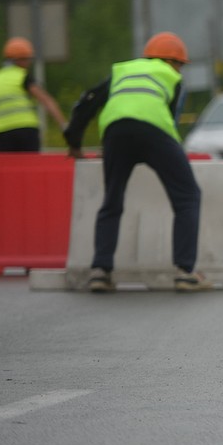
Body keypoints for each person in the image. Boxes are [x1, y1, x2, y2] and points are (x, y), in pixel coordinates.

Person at [63, 32, 210, 293]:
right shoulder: (171, 77)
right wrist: (163, 153)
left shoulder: (123, 71)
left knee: (112, 200)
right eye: (181, 64)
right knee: (187, 196)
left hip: (115, 132)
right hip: (154, 131)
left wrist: (74, 142)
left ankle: (101, 271)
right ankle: (185, 272)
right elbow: (170, 119)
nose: (180, 70)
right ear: (173, 62)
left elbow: (87, 101)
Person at [0, 37, 67, 152]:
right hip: (27, 130)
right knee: (30, 168)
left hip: (1, 133)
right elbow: (45, 100)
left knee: (5, 169)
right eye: (27, 59)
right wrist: (63, 125)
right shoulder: (23, 76)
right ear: (19, 60)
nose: (28, 63)